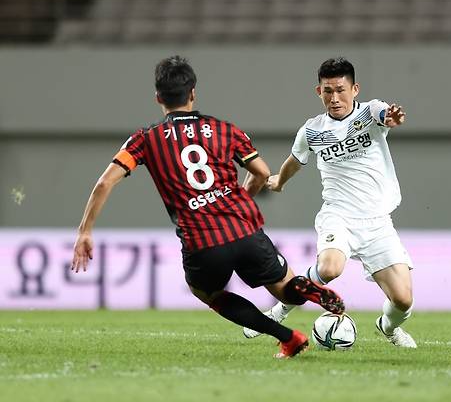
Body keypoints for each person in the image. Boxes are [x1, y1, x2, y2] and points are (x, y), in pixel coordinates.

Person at [70, 55, 344, 358]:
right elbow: (263, 173)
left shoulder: (145, 139)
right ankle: (307, 288)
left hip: (203, 241)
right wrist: (237, 201)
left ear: (159, 97)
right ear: (193, 94)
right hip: (244, 228)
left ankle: (287, 337)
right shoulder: (224, 129)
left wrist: (85, 232)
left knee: (207, 293)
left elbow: (104, 183)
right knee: (284, 286)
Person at [243, 57, 416, 348]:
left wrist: (393, 117)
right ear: (318, 92)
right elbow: (295, 161)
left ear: (355, 89)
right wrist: (279, 182)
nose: (334, 98)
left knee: (403, 300)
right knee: (330, 268)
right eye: (328, 91)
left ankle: (388, 328)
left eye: (340, 90)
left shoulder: (370, 112)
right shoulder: (311, 130)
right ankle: (283, 306)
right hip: (339, 215)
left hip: (378, 222)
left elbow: (387, 115)